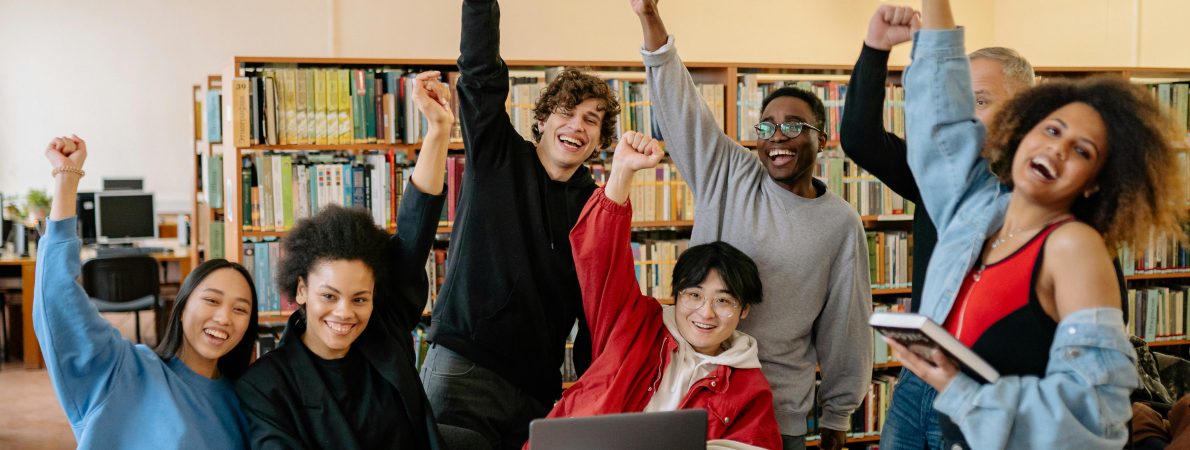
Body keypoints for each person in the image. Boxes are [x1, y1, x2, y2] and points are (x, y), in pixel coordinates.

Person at [885, 0, 1189, 448]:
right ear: (1021, 131)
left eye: (1083, 151)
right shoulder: (977, 208)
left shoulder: (1073, 246)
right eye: (1051, 130)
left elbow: (1097, 411)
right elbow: (940, 117)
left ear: (1095, 184)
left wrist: (962, 391)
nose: (1058, 149)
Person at [631, 1, 873, 448]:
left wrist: (838, 413)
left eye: (793, 125)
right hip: (692, 394)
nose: (777, 135)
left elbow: (846, 323)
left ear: (822, 138)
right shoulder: (728, 170)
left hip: (776, 411)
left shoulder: (840, 224)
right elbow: (680, 105)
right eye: (766, 127)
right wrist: (649, 17)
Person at [234, 71, 474, 449]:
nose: (345, 313)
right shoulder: (265, 386)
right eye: (328, 296)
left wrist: (439, 129)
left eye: (360, 298)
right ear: (301, 290)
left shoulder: (384, 332)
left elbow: (416, 226)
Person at [419, 1, 622, 448]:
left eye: (592, 120)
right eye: (567, 113)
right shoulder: (497, 155)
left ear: (601, 140)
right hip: (464, 370)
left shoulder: (597, 205)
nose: (576, 126)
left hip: (536, 390)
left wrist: (593, 392)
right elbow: (480, 74)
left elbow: (598, 309)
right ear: (544, 119)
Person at [837, 6, 1035, 449]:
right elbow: (859, 137)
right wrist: (875, 49)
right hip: (918, 379)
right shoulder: (939, 181)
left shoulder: (1047, 203)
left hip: (987, 387)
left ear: (1024, 110)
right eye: (960, 102)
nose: (964, 117)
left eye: (980, 101)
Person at [532, 131, 781, 449]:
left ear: (744, 309)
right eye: (694, 295)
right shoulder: (634, 324)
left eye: (723, 301)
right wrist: (622, 170)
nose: (705, 313)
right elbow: (602, 258)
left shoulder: (748, 385)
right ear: (675, 295)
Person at [34, 135, 260, 449]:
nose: (224, 317)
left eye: (240, 309)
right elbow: (57, 297)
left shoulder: (245, 404)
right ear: (181, 308)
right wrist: (66, 179)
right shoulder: (123, 371)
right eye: (211, 300)